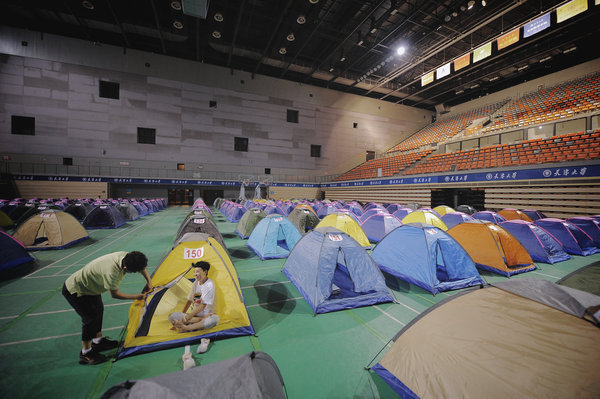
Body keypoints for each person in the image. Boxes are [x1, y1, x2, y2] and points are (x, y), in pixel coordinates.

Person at [62, 251, 152, 365]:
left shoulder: (127, 256)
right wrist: (137, 297)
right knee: (90, 319)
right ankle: (86, 353)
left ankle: (98, 342)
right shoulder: (112, 273)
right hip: (76, 290)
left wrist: (149, 281)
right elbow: (115, 294)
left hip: (91, 288)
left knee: (99, 310)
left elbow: (140, 267)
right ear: (125, 268)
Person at [169, 261, 219, 334]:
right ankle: (197, 322)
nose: (195, 274)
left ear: (205, 272)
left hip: (208, 316)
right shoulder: (196, 283)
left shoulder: (209, 285)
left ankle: (186, 327)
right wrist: (183, 316)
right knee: (172, 316)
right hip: (195, 316)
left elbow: (203, 305)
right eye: (194, 271)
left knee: (214, 319)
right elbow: (189, 301)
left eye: (198, 271)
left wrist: (186, 318)